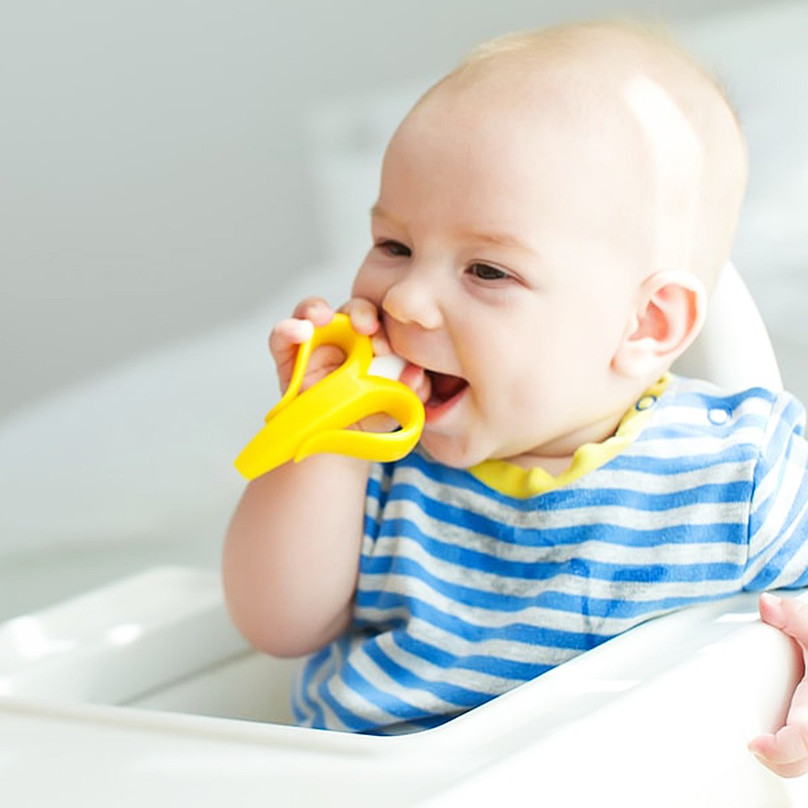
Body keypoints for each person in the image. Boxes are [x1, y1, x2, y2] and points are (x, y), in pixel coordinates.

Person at [223, 20, 808, 775]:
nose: (405, 300)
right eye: (394, 246)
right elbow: (275, 623)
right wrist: (326, 446)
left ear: (646, 325)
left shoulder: (743, 470)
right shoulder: (378, 457)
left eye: (487, 272)